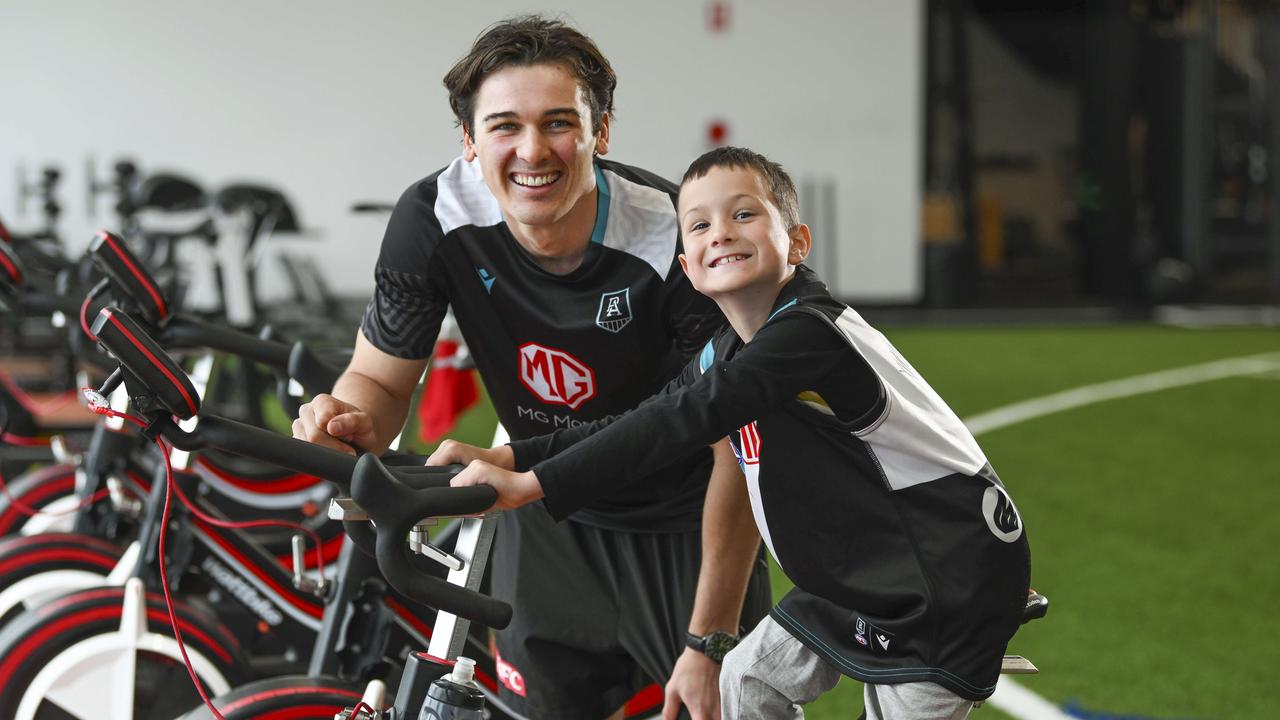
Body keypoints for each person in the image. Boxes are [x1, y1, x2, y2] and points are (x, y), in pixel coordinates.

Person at [442, 146, 1033, 719]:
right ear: (686, 267)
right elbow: (640, 417)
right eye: (697, 226)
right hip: (858, 572)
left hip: (944, 575)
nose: (719, 232)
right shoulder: (725, 348)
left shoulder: (808, 333)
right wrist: (510, 455)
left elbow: (679, 421)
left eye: (743, 214)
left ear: (797, 243)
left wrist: (532, 485)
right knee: (746, 680)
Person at [291, 17, 771, 720]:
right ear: (469, 140)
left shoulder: (677, 235)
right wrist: (349, 414)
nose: (531, 151)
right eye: (504, 126)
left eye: (558, 123)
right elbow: (382, 381)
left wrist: (708, 639)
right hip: (535, 521)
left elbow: (737, 441)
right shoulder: (433, 218)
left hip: (684, 529)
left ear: (601, 132)